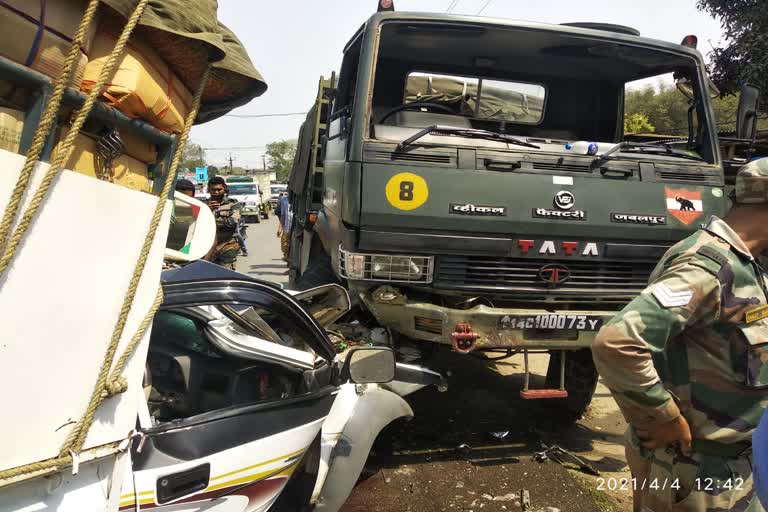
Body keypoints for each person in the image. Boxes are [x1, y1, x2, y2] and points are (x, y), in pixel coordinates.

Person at [592, 159, 768, 511]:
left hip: (727, 466)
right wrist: (660, 417)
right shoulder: (707, 267)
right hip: (698, 473)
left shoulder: (746, 262)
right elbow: (617, 342)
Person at [204, 176, 242, 270]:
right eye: (213, 190)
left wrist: (211, 220)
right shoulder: (203, 205)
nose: (216, 192)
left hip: (227, 247)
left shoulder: (233, 204)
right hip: (206, 248)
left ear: (224, 188)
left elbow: (233, 221)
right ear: (208, 189)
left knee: (226, 274)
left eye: (219, 189)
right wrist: (206, 210)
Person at [276, 191, 292, 262]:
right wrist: (280, 228)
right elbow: (282, 215)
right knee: (284, 246)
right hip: (286, 228)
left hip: (295, 229)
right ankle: (287, 258)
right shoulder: (284, 200)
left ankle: (290, 263)